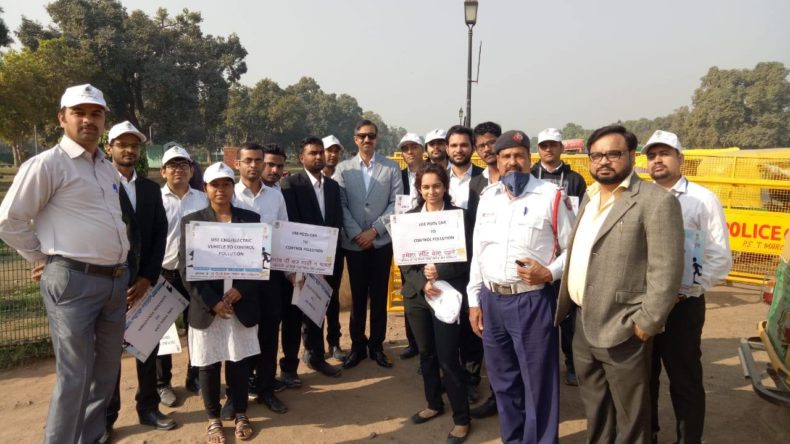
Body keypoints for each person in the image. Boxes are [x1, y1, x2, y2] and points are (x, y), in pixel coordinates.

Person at [0, 84, 130, 444]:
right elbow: (8, 221)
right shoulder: (47, 164)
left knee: (105, 375)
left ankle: (88, 438)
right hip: (74, 282)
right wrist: (45, 258)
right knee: (75, 376)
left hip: (115, 281)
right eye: (79, 112)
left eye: (96, 113)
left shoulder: (105, 167)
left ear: (104, 119)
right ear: (62, 118)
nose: (89, 120)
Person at [556, 124, 685, 444]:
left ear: (631, 156)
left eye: (613, 154)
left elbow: (666, 268)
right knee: (596, 407)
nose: (604, 161)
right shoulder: (589, 196)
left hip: (624, 325)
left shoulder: (655, 201)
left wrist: (647, 322)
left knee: (631, 416)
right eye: (596, 155)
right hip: (583, 321)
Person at [467, 130, 574, 444]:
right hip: (492, 300)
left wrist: (549, 273)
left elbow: (573, 249)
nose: (512, 162)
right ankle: (512, 439)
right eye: (505, 157)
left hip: (531, 302)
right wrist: (474, 301)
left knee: (538, 384)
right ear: (496, 162)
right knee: (503, 382)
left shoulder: (552, 197)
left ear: (530, 159)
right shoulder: (488, 198)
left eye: (519, 156)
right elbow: (479, 252)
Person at [643, 130, 732, 444]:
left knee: (685, 379)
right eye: (652, 155)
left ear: (681, 159)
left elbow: (719, 256)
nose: (658, 160)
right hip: (644, 306)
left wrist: (689, 289)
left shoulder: (702, 199)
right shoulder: (639, 196)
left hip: (683, 305)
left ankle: (688, 439)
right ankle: (648, 435)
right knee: (644, 378)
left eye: (665, 154)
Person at [179, 162, 262, 444]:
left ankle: (240, 413)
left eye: (226, 184)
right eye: (215, 185)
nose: (221, 190)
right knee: (209, 365)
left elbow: (262, 263)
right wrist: (213, 302)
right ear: (205, 188)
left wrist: (242, 289)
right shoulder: (192, 222)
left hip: (240, 304)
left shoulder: (251, 220)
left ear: (232, 187)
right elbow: (185, 269)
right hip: (208, 308)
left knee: (239, 362)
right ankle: (213, 419)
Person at [104, 121, 172, 439]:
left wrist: (147, 277)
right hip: (107, 283)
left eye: (134, 145)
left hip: (143, 284)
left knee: (147, 347)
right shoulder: (98, 184)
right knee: (107, 353)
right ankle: (106, 416)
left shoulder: (149, 188)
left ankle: (148, 407)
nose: (129, 150)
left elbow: (159, 233)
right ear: (109, 148)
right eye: (122, 144)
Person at [399, 163, 472, 443]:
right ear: (419, 189)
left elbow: (466, 260)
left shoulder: (458, 218)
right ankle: (433, 404)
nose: (432, 191)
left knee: (449, 357)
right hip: (418, 297)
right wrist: (423, 283)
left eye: (437, 186)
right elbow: (404, 261)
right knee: (427, 354)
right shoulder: (409, 218)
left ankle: (462, 418)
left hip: (447, 295)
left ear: (445, 187)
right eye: (426, 187)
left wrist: (441, 273)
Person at [335, 119, 402, 369]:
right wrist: (356, 233)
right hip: (354, 244)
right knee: (358, 297)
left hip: (381, 242)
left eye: (371, 136)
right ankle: (357, 345)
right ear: (355, 139)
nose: (366, 140)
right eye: (362, 136)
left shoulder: (391, 167)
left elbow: (397, 202)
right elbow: (340, 204)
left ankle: (376, 345)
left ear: (377, 139)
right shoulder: (344, 169)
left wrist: (374, 231)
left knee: (378, 296)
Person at [232, 142, 291, 416]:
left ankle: (266, 389)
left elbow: (283, 233)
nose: (254, 165)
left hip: (270, 276)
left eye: (258, 160)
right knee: (240, 336)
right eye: (249, 160)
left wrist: (292, 270)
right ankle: (236, 396)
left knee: (269, 333)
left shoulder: (275, 197)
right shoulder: (228, 194)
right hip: (237, 277)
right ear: (238, 163)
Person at [280, 136, 344, 378]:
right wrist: (304, 262)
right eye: (312, 153)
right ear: (301, 157)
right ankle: (291, 365)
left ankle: (316, 357)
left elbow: (336, 222)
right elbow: (292, 225)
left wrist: (329, 258)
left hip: (329, 260)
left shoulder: (332, 186)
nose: (318, 157)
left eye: (321, 153)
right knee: (296, 314)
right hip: (301, 260)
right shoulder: (291, 185)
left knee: (319, 306)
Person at [531, 127, 588, 387]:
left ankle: (572, 365)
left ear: (561, 148)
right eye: (544, 145)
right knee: (539, 315)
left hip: (566, 254)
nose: (548, 149)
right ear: (538, 148)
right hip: (537, 255)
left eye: (553, 145)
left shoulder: (575, 179)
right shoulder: (530, 176)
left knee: (567, 314)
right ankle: (542, 366)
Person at [158, 145, 208, 403]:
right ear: (163, 171)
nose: (178, 169)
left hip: (195, 273)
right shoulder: (155, 199)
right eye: (173, 165)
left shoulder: (202, 199)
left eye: (183, 165)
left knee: (196, 327)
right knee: (162, 331)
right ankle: (162, 382)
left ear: (191, 170)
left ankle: (195, 376)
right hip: (164, 273)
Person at [445, 125, 485, 403]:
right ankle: (448, 375)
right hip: (444, 263)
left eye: (463, 145)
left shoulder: (485, 181)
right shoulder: (436, 179)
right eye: (454, 145)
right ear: (447, 148)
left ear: (471, 147)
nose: (459, 150)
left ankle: (471, 378)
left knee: (472, 320)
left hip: (474, 260)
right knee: (446, 320)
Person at [468, 120, 502, 419]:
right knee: (494, 347)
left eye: (492, 143)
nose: (487, 149)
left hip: (518, 278)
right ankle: (497, 397)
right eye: (482, 145)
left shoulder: (518, 178)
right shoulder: (477, 183)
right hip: (487, 274)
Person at [397, 132, 426, 359]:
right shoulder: (398, 177)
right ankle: (412, 341)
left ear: (422, 149)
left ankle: (429, 342)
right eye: (405, 148)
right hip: (406, 240)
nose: (410, 152)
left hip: (430, 238)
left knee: (431, 287)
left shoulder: (433, 172)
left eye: (414, 147)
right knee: (409, 289)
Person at [320, 134, 347, 359]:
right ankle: (314, 346)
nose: (332, 154)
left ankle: (334, 340)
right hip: (310, 249)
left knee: (332, 296)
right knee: (311, 296)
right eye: (329, 150)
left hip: (334, 247)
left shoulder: (342, 178)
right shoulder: (305, 181)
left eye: (336, 150)